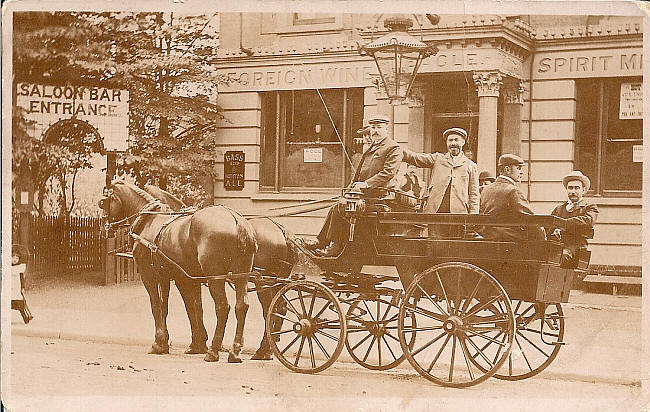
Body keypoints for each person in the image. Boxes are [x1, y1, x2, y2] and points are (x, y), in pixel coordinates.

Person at [306, 114, 403, 257]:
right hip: (364, 196)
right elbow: (359, 173)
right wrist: (350, 189)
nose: (375, 131)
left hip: (380, 197)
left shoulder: (393, 148)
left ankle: (334, 246)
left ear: (386, 128)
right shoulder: (372, 146)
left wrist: (365, 184)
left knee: (340, 208)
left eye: (379, 127)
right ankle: (323, 242)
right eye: (373, 127)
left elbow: (388, 173)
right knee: (337, 206)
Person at [401, 127, 479, 237]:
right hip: (436, 212)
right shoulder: (438, 159)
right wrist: (396, 150)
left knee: (455, 248)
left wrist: (473, 217)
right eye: (450, 140)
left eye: (456, 140)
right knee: (434, 247)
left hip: (459, 215)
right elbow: (416, 158)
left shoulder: (470, 165)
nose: (453, 143)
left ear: (463, 142)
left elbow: (474, 193)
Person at [479, 154, 545, 241]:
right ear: (507, 169)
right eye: (518, 168)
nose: (522, 172)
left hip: (489, 238)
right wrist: (543, 237)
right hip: (509, 240)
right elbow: (530, 220)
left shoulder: (486, 189)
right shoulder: (513, 190)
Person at [546, 171, 598, 268]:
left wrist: (562, 225)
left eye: (576, 188)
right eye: (570, 188)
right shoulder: (559, 209)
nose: (573, 191)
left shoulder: (589, 207)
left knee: (559, 257)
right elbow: (548, 228)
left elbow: (588, 220)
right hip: (558, 246)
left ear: (583, 190)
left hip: (576, 248)